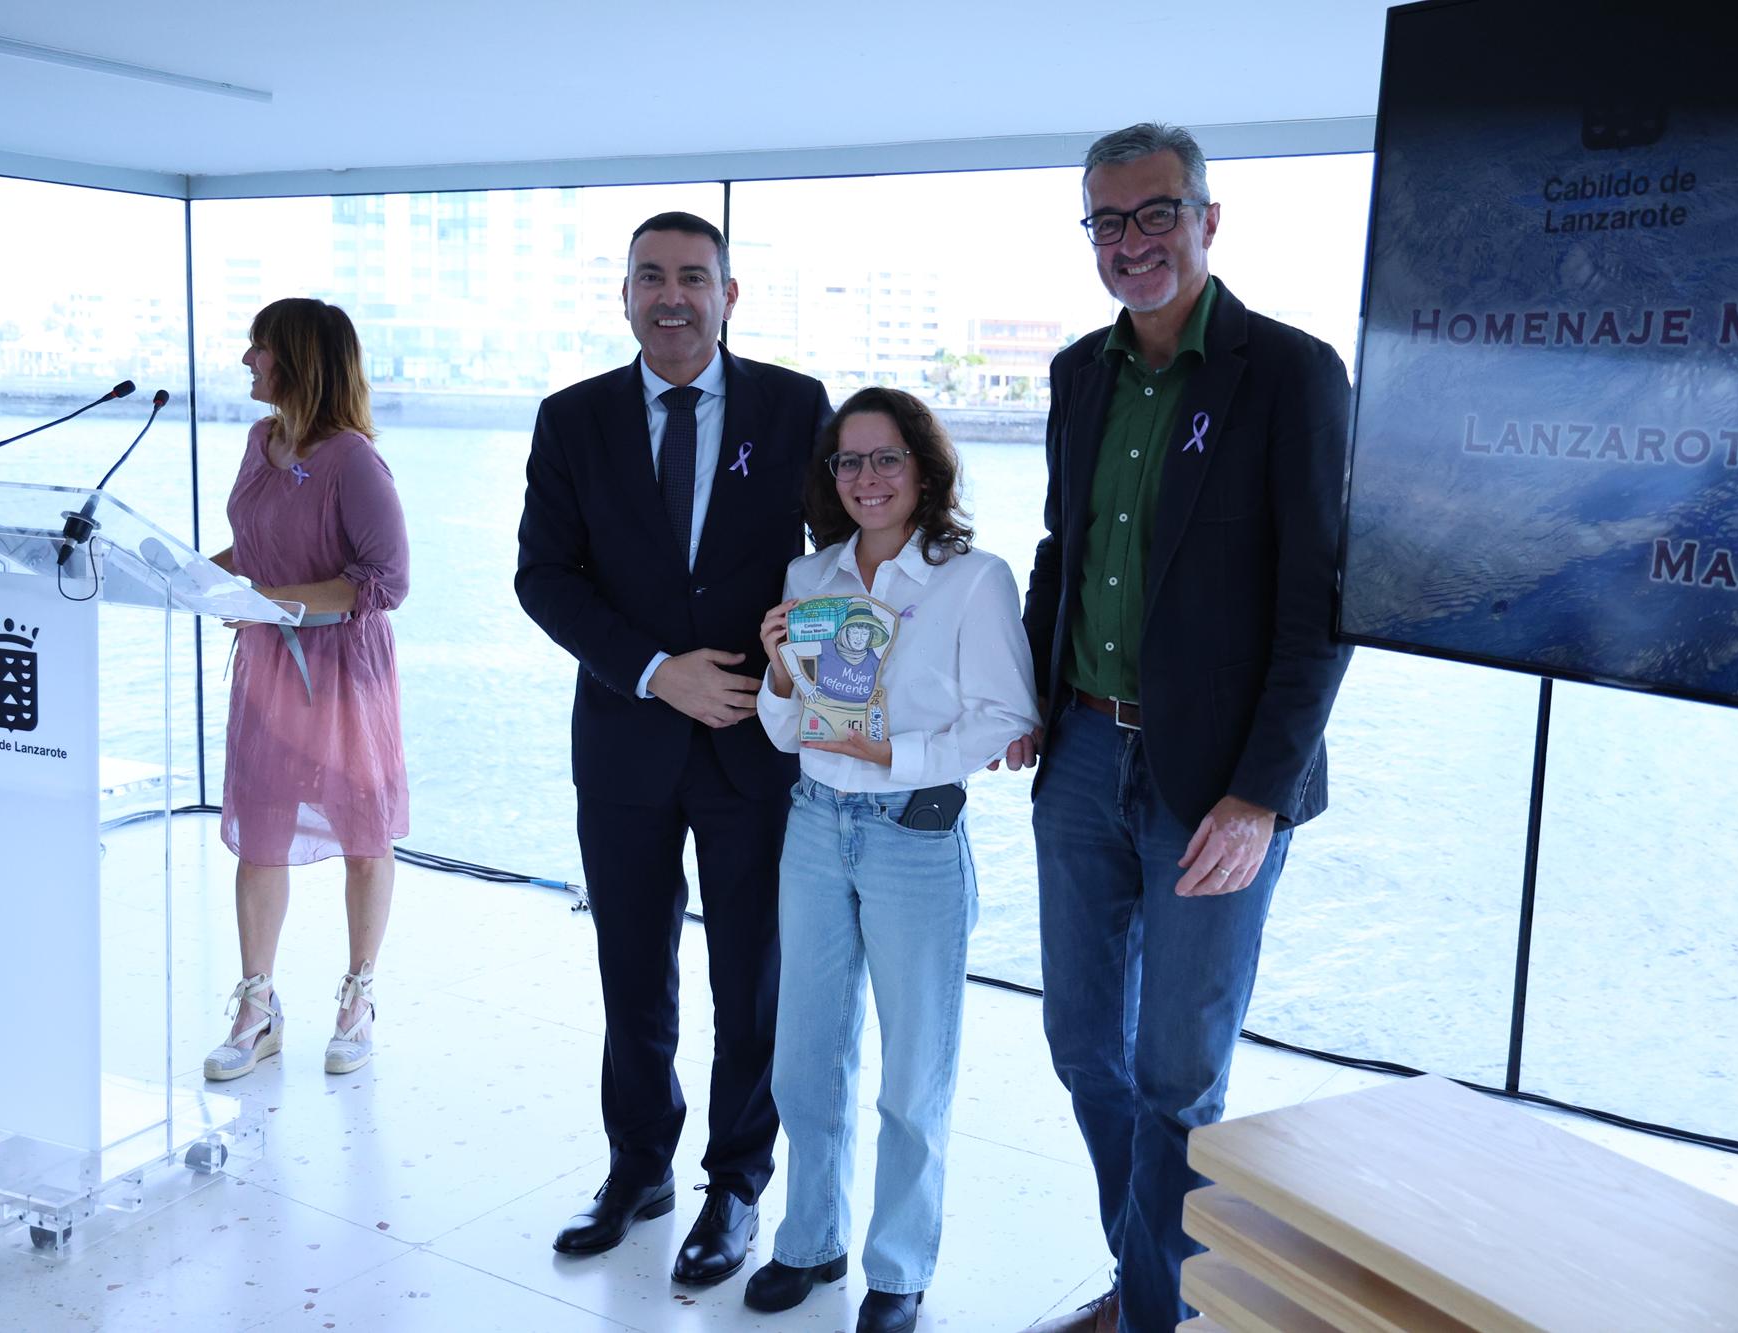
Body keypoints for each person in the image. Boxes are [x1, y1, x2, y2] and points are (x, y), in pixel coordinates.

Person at [1012, 124, 1353, 1333]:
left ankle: (1151, 1312)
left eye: (1152, 214)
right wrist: (1029, 702)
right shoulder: (1076, 374)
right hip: (1083, 748)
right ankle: (1159, 1278)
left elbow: (1321, 605)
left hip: (1215, 779)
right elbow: (1065, 550)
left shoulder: (1292, 373)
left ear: (1210, 218)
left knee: (1175, 1073)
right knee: (1077, 1045)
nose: (1128, 243)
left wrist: (1258, 795)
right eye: (1105, 222)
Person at [515, 211, 832, 1285]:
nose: (671, 296)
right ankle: (637, 1165)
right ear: (623, 294)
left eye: (693, 277)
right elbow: (543, 578)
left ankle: (735, 1182)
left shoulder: (794, 408)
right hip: (624, 742)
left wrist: (817, 687)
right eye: (650, 276)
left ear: (728, 294)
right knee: (630, 970)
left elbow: (839, 559)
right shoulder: (572, 419)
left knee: (752, 976)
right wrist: (657, 670)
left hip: (753, 742)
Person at [746, 388, 1037, 1333]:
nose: (867, 478)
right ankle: (810, 1239)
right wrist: (781, 673)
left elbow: (1005, 717)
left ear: (923, 468)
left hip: (915, 835)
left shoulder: (974, 578)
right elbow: (790, 729)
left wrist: (896, 757)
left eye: (885, 458)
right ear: (830, 478)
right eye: (849, 461)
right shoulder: (811, 573)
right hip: (815, 829)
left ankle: (899, 1266)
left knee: (914, 1076)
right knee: (805, 1057)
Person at [204, 297, 410, 1084]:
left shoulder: (353, 458)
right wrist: (195, 577)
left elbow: (387, 580)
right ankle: (257, 1009)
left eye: (257, 347)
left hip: (342, 675)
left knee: (364, 835)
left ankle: (357, 1001)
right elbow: (256, 550)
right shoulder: (262, 442)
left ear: (295, 358)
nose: (247, 361)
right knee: (260, 836)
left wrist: (274, 600)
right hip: (267, 668)